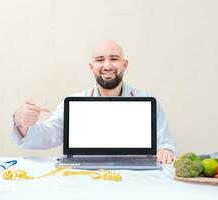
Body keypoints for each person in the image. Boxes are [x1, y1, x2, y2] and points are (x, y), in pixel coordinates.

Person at [12, 41, 178, 164]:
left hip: (137, 175)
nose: (107, 66)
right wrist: (20, 121)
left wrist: (166, 150)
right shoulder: (74, 102)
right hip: (85, 174)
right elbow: (49, 135)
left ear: (124, 64)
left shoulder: (147, 101)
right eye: (100, 60)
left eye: (114, 59)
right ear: (91, 67)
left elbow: (166, 143)